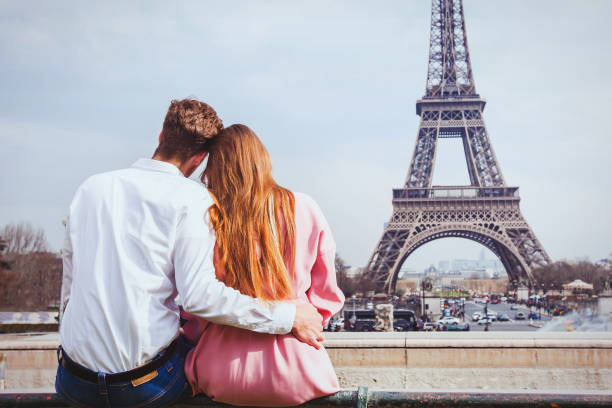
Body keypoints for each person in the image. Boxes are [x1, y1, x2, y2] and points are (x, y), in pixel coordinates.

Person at [55, 99, 324, 408]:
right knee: (201, 355)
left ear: (160, 136)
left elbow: (70, 286)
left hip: (73, 381)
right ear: (199, 159)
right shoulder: (194, 199)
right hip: (144, 386)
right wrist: (287, 316)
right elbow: (200, 298)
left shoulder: (92, 187)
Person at [182, 124, 345, 406]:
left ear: (215, 169)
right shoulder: (304, 207)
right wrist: (302, 322)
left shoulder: (210, 216)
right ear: (263, 159)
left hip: (220, 371)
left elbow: (196, 308)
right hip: (296, 369)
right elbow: (327, 296)